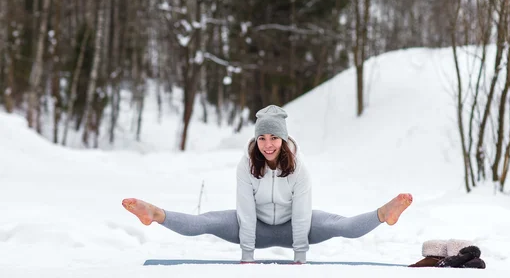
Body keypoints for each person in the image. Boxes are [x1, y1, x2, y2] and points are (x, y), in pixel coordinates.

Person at [122, 105, 413, 264]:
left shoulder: (299, 170)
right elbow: (245, 212)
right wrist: (247, 255)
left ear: (283, 139)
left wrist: (300, 255)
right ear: (256, 140)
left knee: (341, 226)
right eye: (262, 138)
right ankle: (154, 213)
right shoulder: (247, 166)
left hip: (295, 227)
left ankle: (384, 212)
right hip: (253, 228)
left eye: (273, 138)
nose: (268, 144)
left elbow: (301, 215)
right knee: (205, 222)